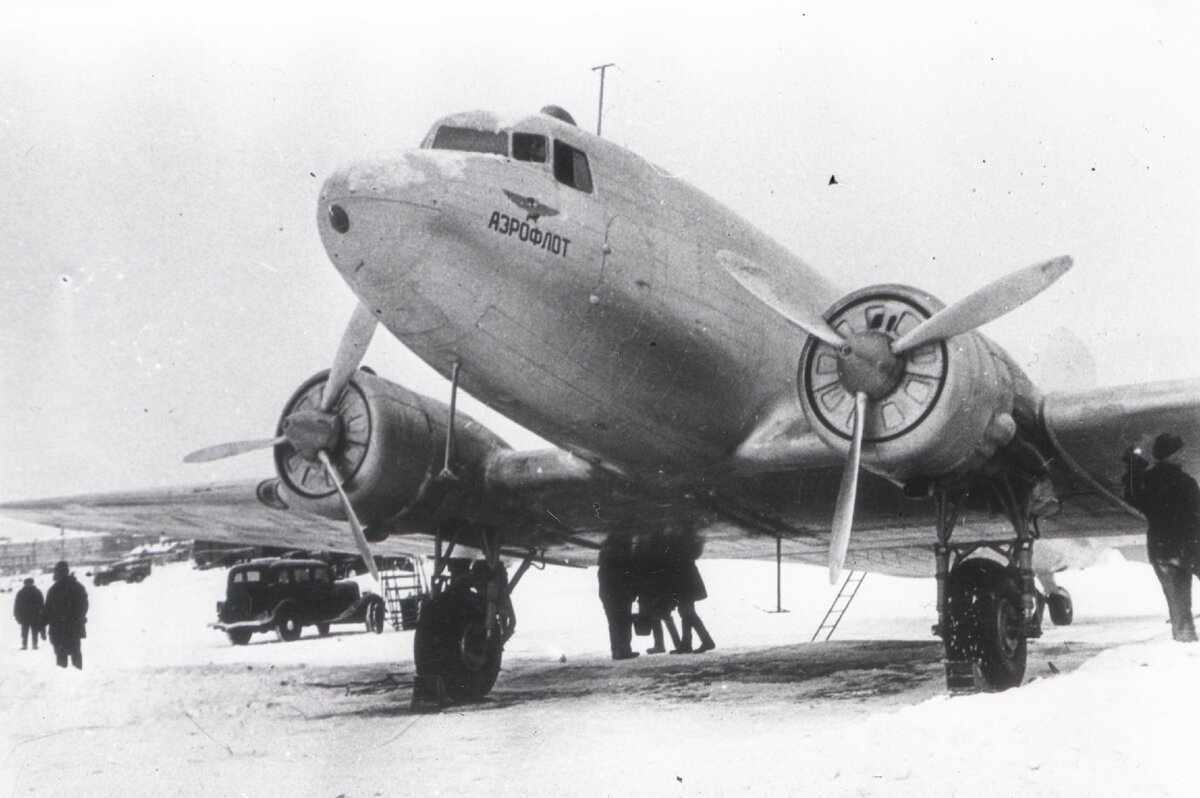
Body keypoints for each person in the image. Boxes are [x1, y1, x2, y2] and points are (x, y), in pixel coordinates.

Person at [1124, 434, 1200, 642]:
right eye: (1180, 452)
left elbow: (1131, 494)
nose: (1183, 456)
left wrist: (1133, 463)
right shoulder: (1187, 483)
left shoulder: (1146, 483)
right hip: (1190, 548)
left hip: (1161, 551)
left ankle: (1185, 644)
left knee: (1179, 608)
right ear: (1170, 455)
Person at [633, 532, 682, 655]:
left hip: (652, 591)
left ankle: (661, 645)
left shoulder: (647, 556)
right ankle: (676, 644)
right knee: (665, 617)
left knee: (657, 617)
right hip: (662, 590)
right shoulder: (661, 554)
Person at [668, 531, 715, 654]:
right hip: (689, 583)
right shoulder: (688, 544)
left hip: (685, 583)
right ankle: (688, 643)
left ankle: (704, 641)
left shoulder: (680, 547)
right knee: (686, 612)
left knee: (686, 612)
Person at [597, 531, 639, 660]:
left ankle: (618, 651)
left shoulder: (604, 567)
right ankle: (623, 650)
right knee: (623, 623)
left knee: (615, 624)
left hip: (610, 597)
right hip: (620, 596)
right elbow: (628, 578)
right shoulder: (618, 565)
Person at [43, 560, 89, 669]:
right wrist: (78, 618)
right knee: (76, 653)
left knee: (61, 656)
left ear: (58, 573)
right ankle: (78, 676)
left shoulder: (54, 589)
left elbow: (47, 610)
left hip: (58, 629)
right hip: (74, 628)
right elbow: (84, 606)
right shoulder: (78, 587)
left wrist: (41, 627)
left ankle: (63, 679)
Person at [13, 577, 45, 650]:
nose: (28, 585)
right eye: (27, 583)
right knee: (27, 631)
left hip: (31, 616)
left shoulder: (23, 592)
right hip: (28, 616)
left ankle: (32, 644)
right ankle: (27, 645)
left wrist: (41, 613)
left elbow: (41, 604)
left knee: (32, 631)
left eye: (29, 583)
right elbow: (17, 605)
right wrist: (16, 614)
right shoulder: (34, 592)